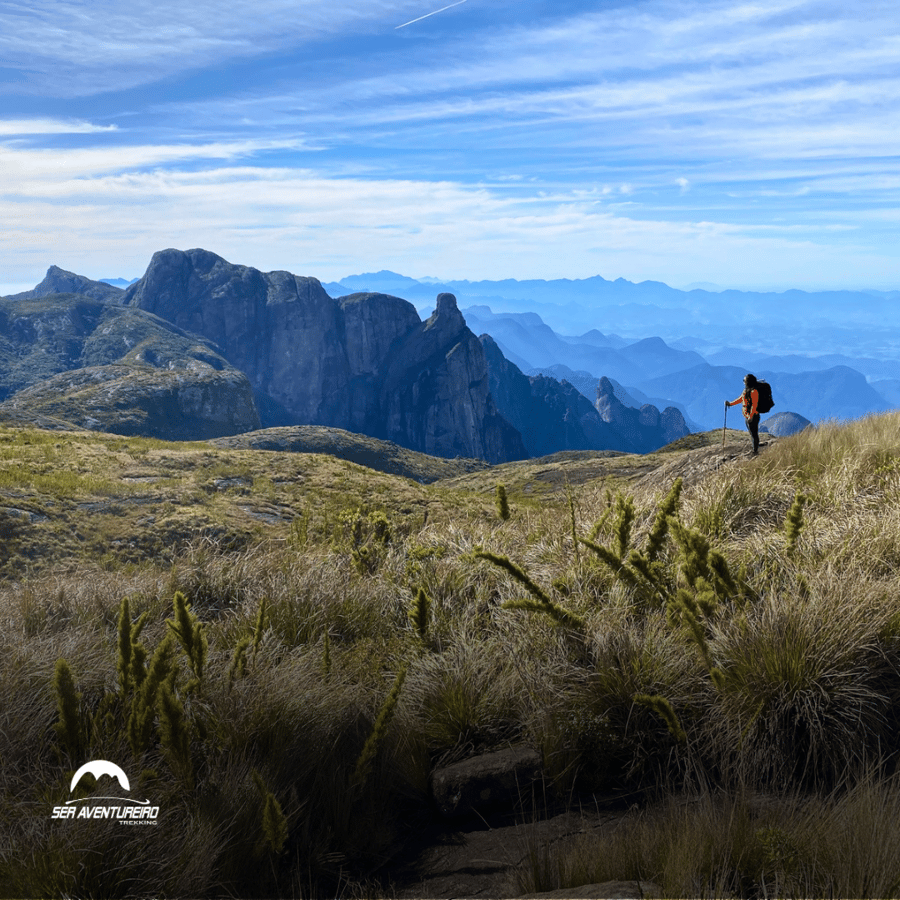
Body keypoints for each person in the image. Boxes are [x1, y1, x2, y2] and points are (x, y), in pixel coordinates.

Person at [726, 373, 761, 455]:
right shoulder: (746, 391)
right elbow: (740, 399)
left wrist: (750, 416)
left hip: (753, 416)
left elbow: (754, 405)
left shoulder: (754, 392)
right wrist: (730, 404)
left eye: (744, 381)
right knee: (752, 433)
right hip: (748, 416)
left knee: (754, 433)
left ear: (748, 382)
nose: (744, 382)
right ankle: (755, 448)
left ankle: (755, 451)